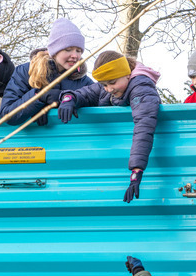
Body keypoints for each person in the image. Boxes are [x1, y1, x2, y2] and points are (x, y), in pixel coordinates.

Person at [57, 51, 160, 203]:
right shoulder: (109, 87)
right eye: (104, 84)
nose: (108, 89)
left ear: (126, 74)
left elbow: (144, 127)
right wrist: (69, 98)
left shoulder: (141, 86)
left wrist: (136, 170)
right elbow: (86, 93)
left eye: (112, 83)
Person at [0, 18, 93, 126]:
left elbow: (100, 101)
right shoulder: (26, 72)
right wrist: (39, 98)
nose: (75, 56)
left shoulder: (82, 80)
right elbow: (8, 115)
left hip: (70, 139)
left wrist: (72, 99)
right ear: (54, 50)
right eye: (68, 50)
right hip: (34, 140)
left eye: (79, 51)